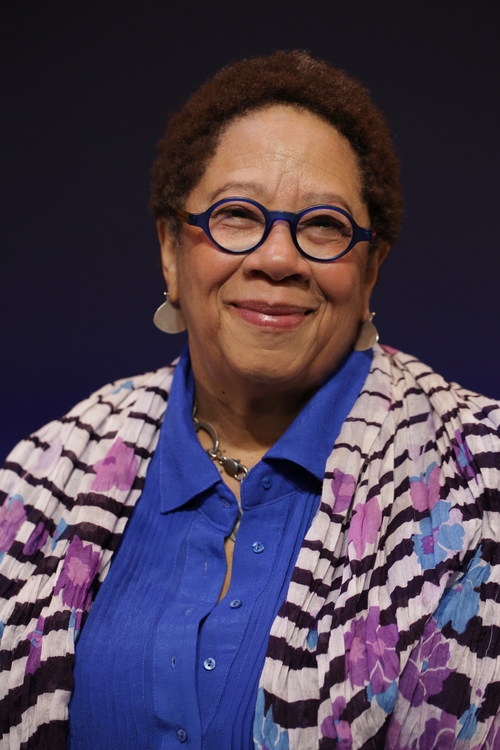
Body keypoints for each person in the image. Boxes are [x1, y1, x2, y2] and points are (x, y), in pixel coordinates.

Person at [0, 50, 499, 750]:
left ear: (370, 270)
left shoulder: (481, 481)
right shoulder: (40, 479)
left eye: (324, 225)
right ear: (171, 250)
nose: (278, 258)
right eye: (236, 215)